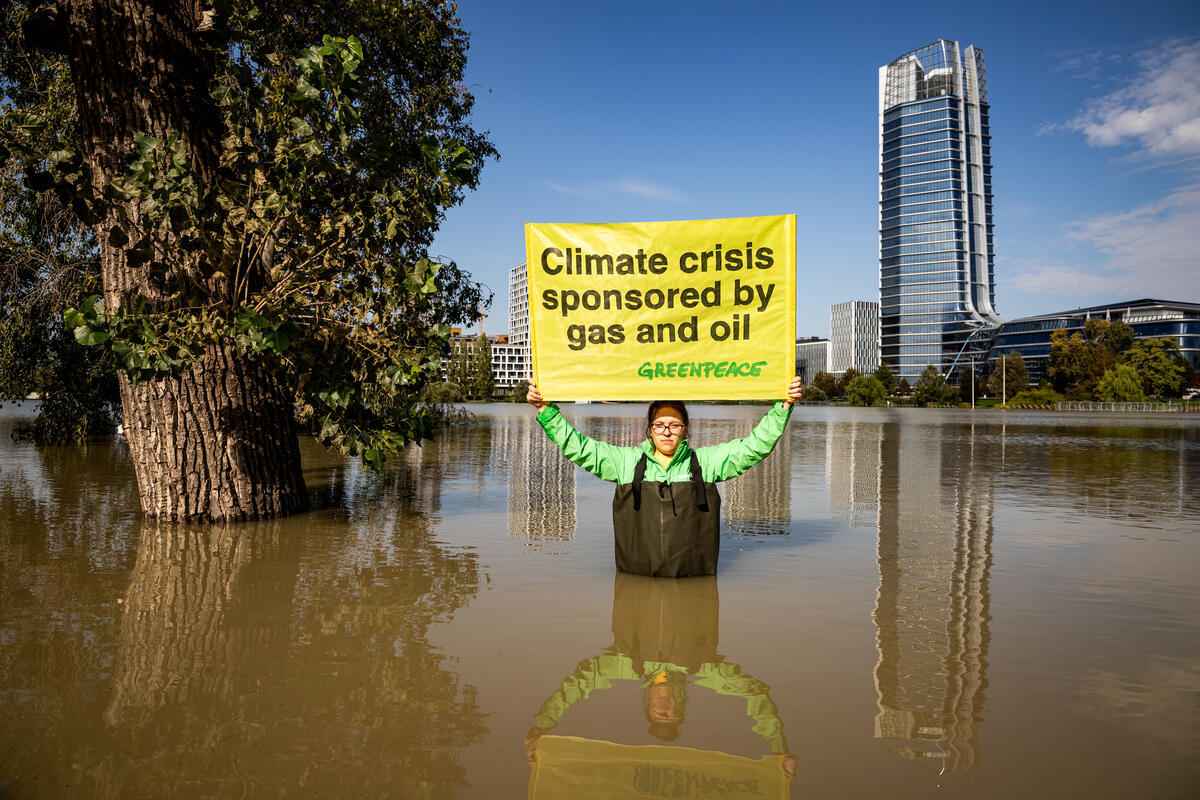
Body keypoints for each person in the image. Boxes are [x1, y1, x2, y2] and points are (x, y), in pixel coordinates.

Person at [527, 376, 802, 577]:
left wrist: (784, 405)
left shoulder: (706, 463)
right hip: (635, 582)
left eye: (674, 425)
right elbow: (580, 447)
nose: (666, 431)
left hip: (693, 578)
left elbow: (754, 447)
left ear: (685, 429)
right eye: (659, 425)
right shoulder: (625, 463)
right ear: (649, 429)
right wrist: (545, 410)